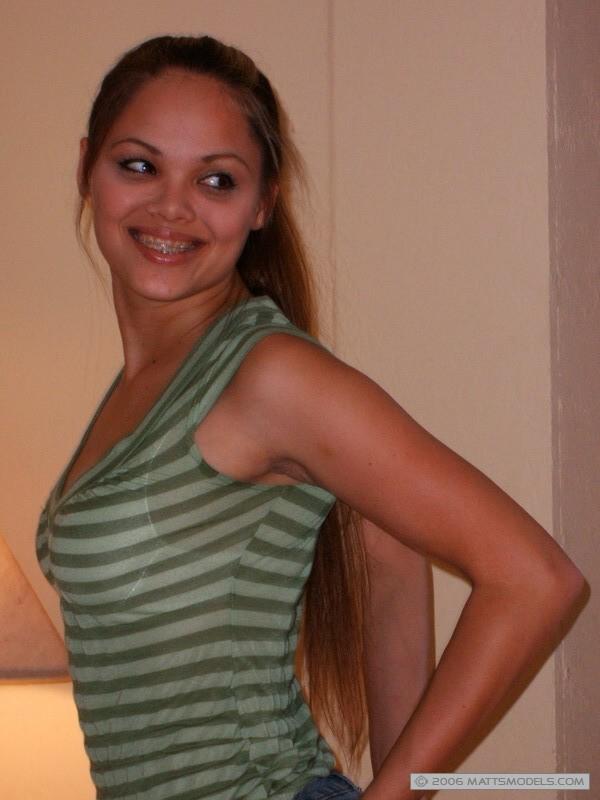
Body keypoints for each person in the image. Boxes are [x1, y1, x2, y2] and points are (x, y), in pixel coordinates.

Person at [8, 34, 584, 800]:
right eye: (139, 165)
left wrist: (397, 794)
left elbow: (535, 580)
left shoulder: (268, 373)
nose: (171, 205)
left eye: (216, 179)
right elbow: (386, 551)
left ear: (262, 205)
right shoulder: (148, 384)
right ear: (87, 168)